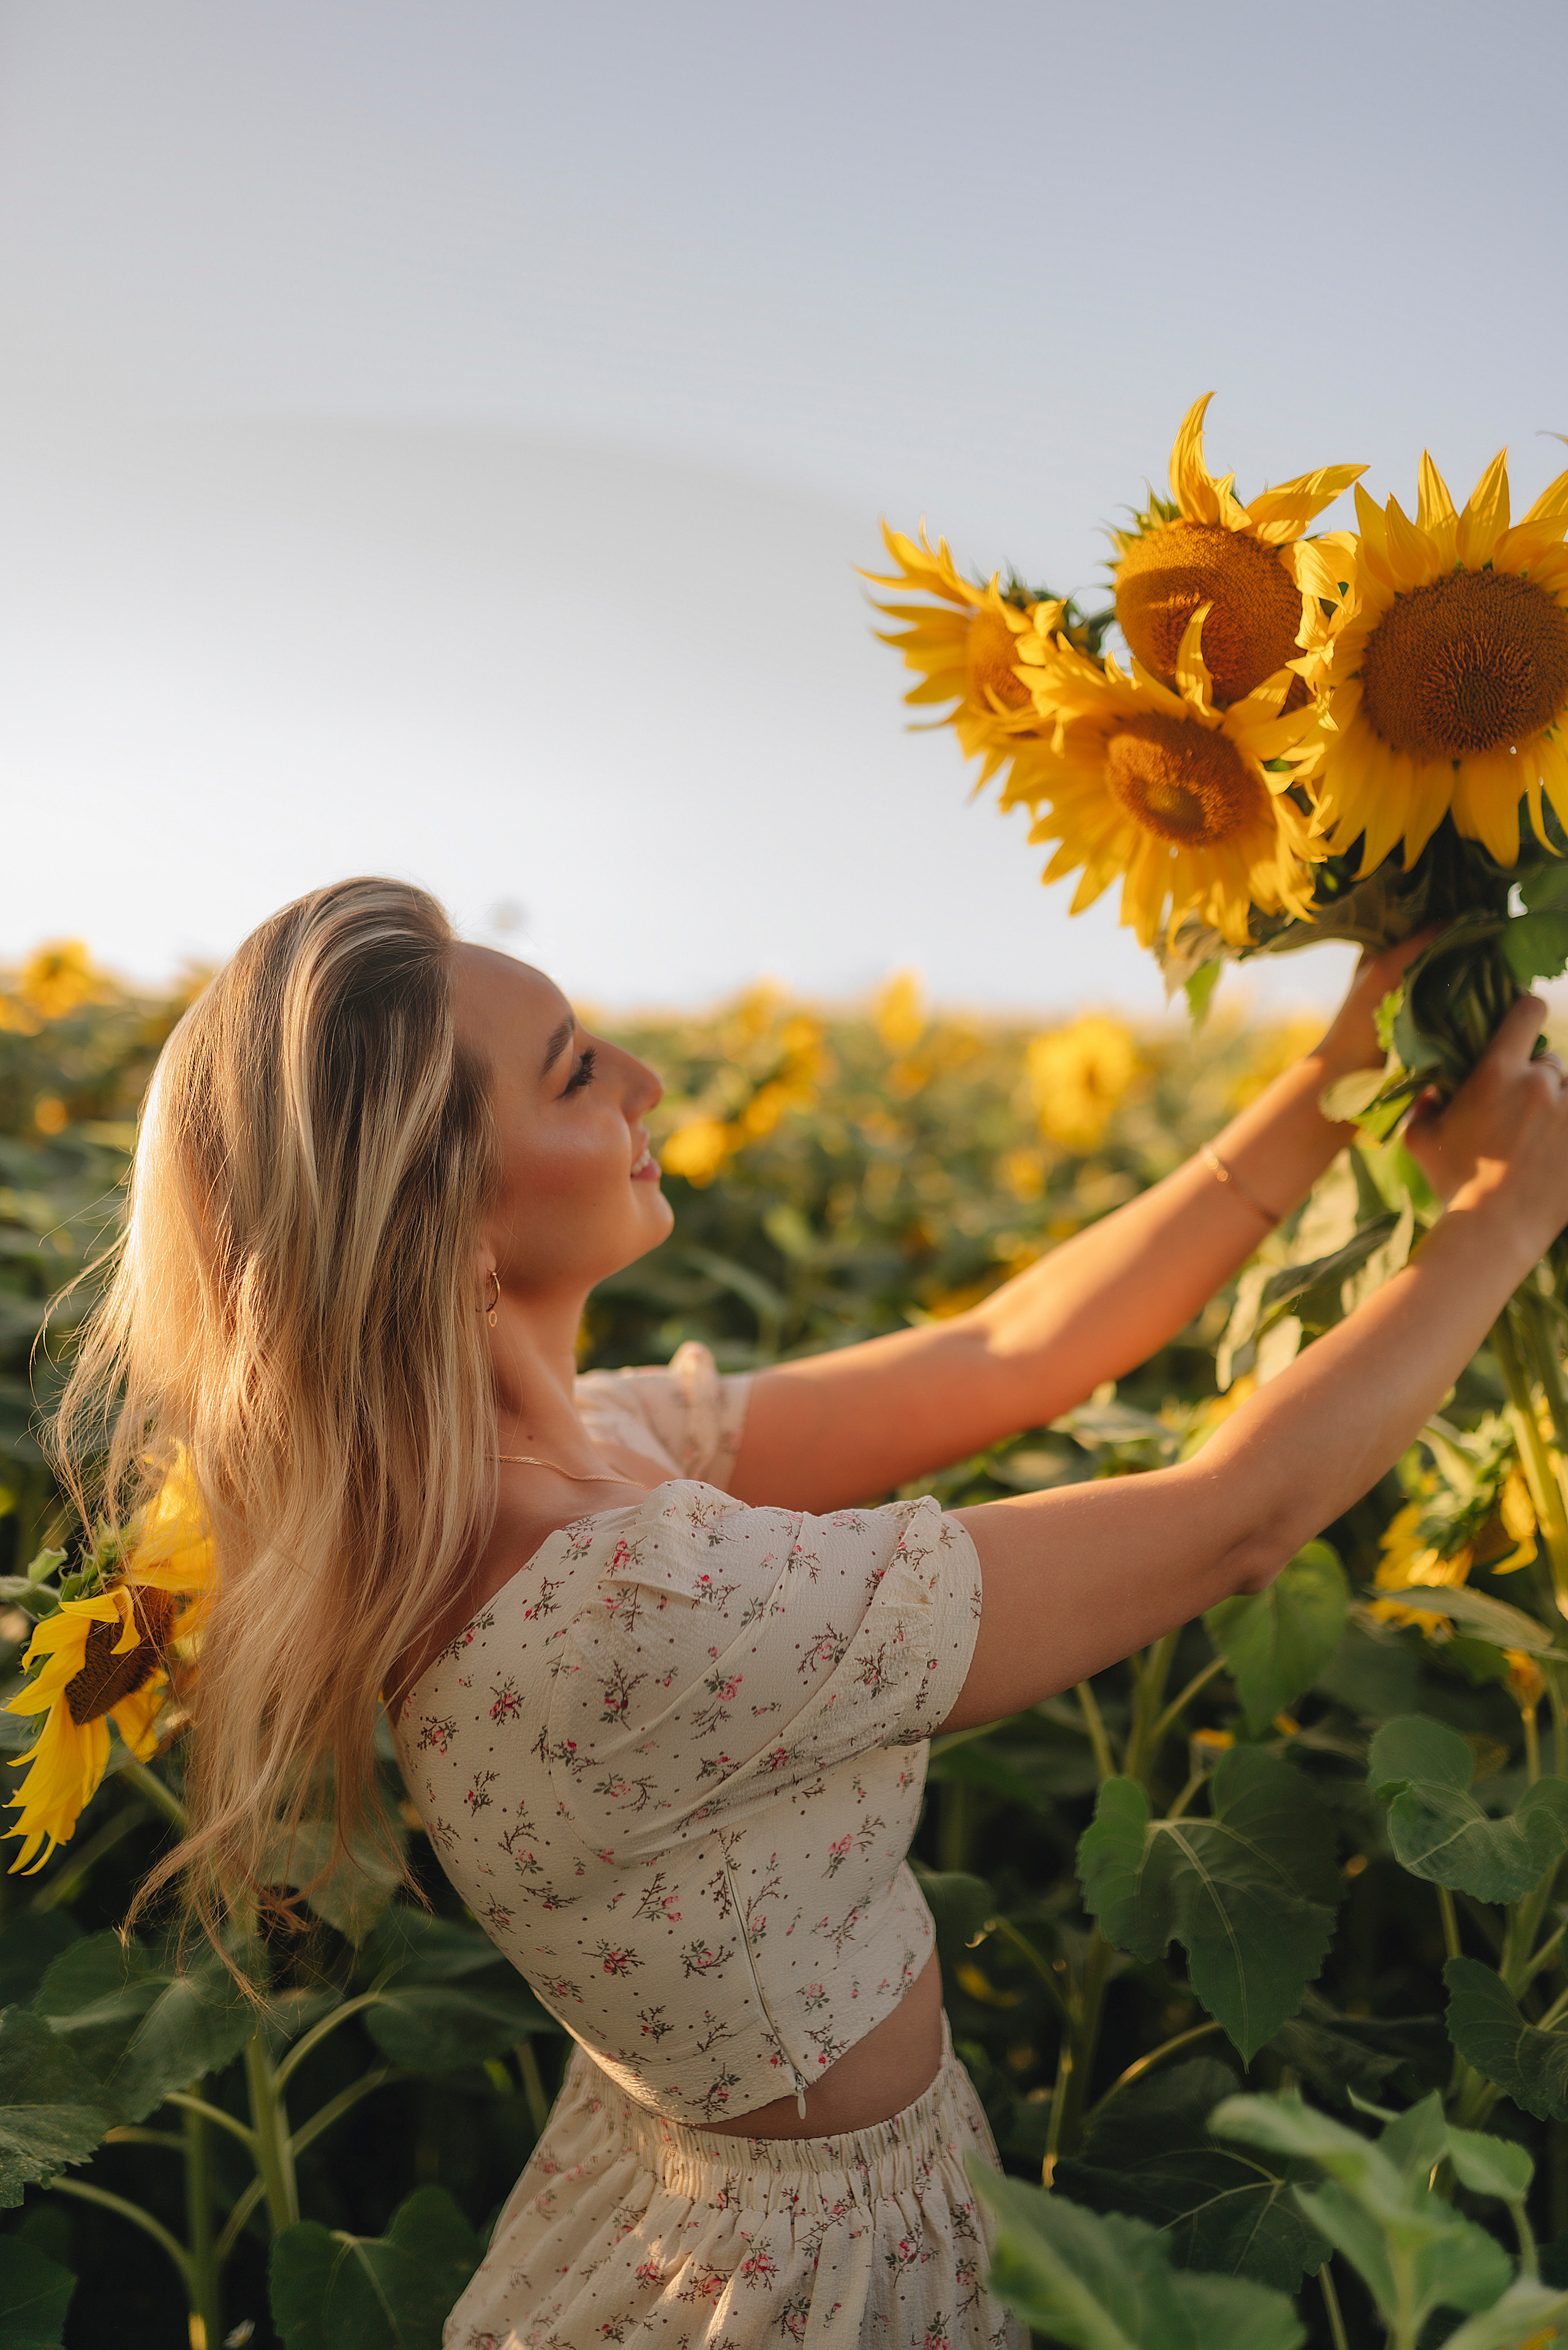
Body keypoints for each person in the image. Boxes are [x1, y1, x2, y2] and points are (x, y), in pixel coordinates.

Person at [61, 875, 1568, 2350]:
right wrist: (1500, 1220)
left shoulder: (551, 1461)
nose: (650, 1077)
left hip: (728, 2201)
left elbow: (1004, 1349)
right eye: (580, 1070)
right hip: (803, 2282)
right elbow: (1226, 1523)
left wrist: (1327, 1078)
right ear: (443, 1217)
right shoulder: (629, 1608)